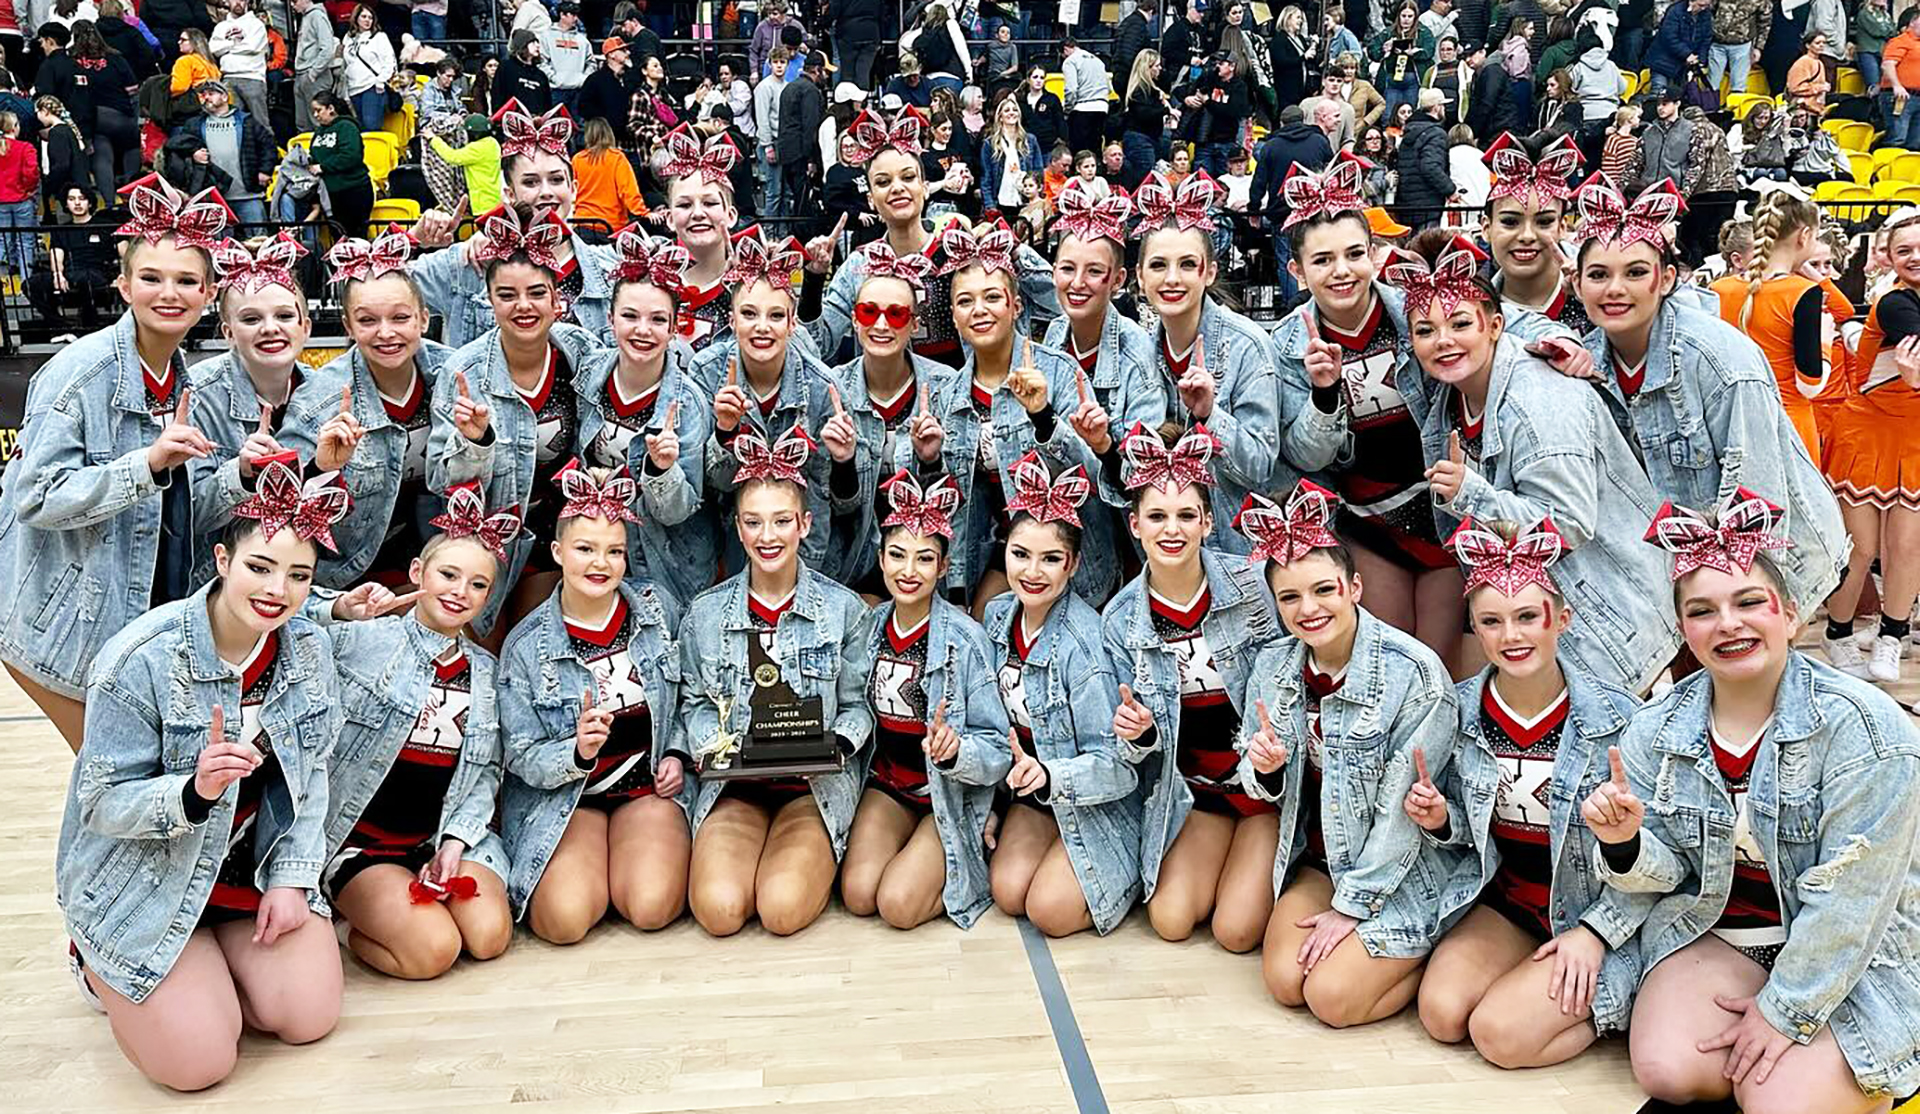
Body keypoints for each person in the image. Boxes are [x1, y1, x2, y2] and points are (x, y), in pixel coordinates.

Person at [1584, 492, 1920, 1113]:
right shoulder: (1654, 727)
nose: (1728, 624)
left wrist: (1784, 1011)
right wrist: (1624, 843)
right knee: (1667, 1068)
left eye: (1748, 603)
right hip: (1727, 931)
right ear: (1683, 629)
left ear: (1790, 614)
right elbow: (1672, 873)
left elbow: (1854, 900)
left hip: (1857, 952)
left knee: (1775, 1100)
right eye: (1702, 610)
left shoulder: (1869, 731)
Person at [57, 459, 350, 1089]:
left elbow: (313, 777)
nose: (278, 590)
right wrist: (193, 792)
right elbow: (101, 802)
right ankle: (95, 961)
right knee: (198, 1066)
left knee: (308, 1015)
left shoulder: (309, 650)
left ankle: (211, 967)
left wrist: (294, 880)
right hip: (149, 878)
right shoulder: (140, 659)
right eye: (260, 567)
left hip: (245, 866)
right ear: (222, 560)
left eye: (299, 576)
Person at [1385, 230, 1680, 693]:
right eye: (1426, 330)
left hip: (1609, 628)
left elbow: (1565, 523)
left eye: (1460, 324)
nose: (1443, 341)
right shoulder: (1451, 394)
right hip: (1545, 628)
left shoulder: (1538, 399)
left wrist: (1472, 496)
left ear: (1495, 326)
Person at [1406, 520, 1647, 1068]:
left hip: (1593, 910)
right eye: (1492, 622)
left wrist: (1596, 933)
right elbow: (1469, 836)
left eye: (1526, 617)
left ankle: (1622, 997)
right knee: (1442, 1014)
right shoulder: (1460, 711)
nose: (1511, 636)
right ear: (1475, 629)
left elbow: (1661, 858)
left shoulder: (1621, 720)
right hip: (1511, 902)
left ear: (1560, 618)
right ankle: (1533, 984)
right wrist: (1442, 820)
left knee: (1500, 1037)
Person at [0, 176, 226, 749]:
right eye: (150, 278)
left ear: (208, 293)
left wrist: (243, 475)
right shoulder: (81, 372)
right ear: (124, 286)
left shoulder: (185, 381)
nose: (168, 293)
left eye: (186, 281)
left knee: (127, 795)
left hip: (141, 624)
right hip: (65, 631)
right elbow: (35, 496)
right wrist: (144, 466)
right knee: (111, 789)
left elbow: (179, 517)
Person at [1568, 172, 1847, 614]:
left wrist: (1743, 609)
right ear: (1577, 284)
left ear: (1666, 279)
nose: (1615, 288)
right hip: (1673, 573)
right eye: (1598, 274)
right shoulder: (1584, 363)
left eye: (1636, 272)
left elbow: (1759, 501)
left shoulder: (1722, 359)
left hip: (1762, 566)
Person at [1237, 480, 1458, 1026]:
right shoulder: (1274, 666)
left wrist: (1350, 908)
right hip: (1324, 858)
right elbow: (1253, 771)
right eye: (1290, 597)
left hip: (1401, 866)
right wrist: (1266, 770)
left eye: (1323, 590)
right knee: (1286, 983)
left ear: (1354, 587)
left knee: (1332, 1000)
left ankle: (1427, 953)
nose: (1308, 609)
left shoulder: (1416, 674)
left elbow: (1399, 814)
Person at [678, 423, 874, 937]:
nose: (768, 537)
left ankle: (805, 857)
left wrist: (834, 745)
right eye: (754, 523)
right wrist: (715, 746)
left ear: (805, 525)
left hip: (813, 788)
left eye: (781, 521)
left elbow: (859, 707)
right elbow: (695, 704)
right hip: (736, 788)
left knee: (781, 911)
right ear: (738, 529)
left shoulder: (843, 610)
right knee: (719, 912)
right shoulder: (705, 615)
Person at [1100, 425, 1280, 952]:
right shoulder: (1119, 620)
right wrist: (1138, 734)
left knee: (1235, 932)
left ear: (1207, 521)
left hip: (1258, 787)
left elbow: (1286, 680)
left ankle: (1274, 858)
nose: (1171, 529)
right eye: (1156, 516)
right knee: (1171, 920)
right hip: (1196, 794)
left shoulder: (1250, 586)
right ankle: (1226, 858)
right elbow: (1133, 749)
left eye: (1185, 516)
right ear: (1134, 525)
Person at [322, 490, 516, 977]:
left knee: (489, 937)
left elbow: (486, 773)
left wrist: (453, 842)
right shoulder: (364, 640)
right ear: (417, 573)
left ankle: (414, 896)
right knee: (433, 952)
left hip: (436, 837)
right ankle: (346, 923)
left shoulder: (485, 673)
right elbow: (287, 625)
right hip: (363, 843)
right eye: (448, 575)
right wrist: (342, 610)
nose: (458, 592)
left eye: (477, 585)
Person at [496, 465, 690, 943]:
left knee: (650, 907)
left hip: (648, 790)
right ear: (559, 552)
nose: (599, 563)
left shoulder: (657, 610)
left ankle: (627, 861)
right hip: (571, 798)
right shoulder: (525, 647)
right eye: (585, 549)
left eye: (614, 551)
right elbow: (519, 754)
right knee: (562, 922)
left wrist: (679, 753)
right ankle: (595, 868)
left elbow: (694, 694)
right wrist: (576, 752)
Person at [909, 220, 1115, 609]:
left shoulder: (1056, 369)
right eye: (966, 301)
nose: (979, 310)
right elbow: (949, 503)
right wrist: (928, 460)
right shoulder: (947, 393)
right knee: (987, 619)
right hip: (998, 549)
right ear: (953, 316)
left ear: (1015, 306)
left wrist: (1042, 416)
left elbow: (1095, 476)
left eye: (992, 297)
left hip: (1073, 555)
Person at [841, 472, 1013, 929]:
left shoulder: (967, 640)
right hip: (890, 786)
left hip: (949, 791)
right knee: (858, 894)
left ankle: (969, 860)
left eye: (924, 559)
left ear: (943, 566)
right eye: (897, 556)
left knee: (898, 905)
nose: (908, 571)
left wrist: (957, 751)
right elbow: (855, 706)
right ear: (880, 559)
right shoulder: (869, 628)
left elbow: (997, 749)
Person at [980, 455, 1141, 937]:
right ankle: (1048, 843)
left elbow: (1119, 765)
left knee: (1049, 912)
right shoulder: (996, 617)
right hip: (1033, 796)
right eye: (1021, 554)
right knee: (1008, 892)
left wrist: (1051, 775)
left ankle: (1122, 865)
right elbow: (990, 726)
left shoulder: (1085, 645)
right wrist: (990, 801)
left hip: (1091, 798)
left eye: (1051, 559)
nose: (1033, 571)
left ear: (1071, 565)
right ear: (1004, 551)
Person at [429, 204, 605, 642]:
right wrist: (476, 442)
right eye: (507, 294)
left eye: (536, 293)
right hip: (484, 537)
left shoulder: (581, 354)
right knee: (479, 648)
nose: (523, 306)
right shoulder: (463, 371)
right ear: (489, 301)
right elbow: (438, 477)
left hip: (554, 537)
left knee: (533, 646)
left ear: (556, 298)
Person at [1135, 170, 1301, 557]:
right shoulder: (1139, 349)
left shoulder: (1248, 345)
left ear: (1208, 272)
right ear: (1140, 276)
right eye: (1158, 265)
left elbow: (1261, 468)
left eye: (1187, 265)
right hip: (1167, 553)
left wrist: (1211, 417)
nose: (1172, 278)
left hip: (1238, 551)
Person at [278, 228, 454, 590]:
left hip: (443, 561)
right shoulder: (321, 401)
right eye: (368, 320)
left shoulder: (454, 375)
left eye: (400, 318)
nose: (385, 333)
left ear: (423, 319)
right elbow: (281, 506)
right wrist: (322, 468)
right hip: (352, 574)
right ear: (348, 326)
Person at [412, 100, 618, 349]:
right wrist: (413, 240)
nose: (546, 192)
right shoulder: (472, 262)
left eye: (555, 179)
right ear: (509, 194)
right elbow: (364, 287)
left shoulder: (610, 269)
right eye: (530, 182)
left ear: (573, 189)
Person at [576, 226, 710, 607]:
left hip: (663, 560)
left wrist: (663, 470)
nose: (642, 330)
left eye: (657, 320)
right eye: (630, 316)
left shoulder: (689, 403)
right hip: (595, 543)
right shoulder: (587, 374)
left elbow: (679, 512)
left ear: (673, 328)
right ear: (611, 318)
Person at [1820, 207, 1920, 685]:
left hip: (1915, 439)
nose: (1914, 257)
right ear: (1889, 257)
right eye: (1904, 250)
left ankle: (1891, 636)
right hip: (1868, 434)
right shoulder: (1896, 304)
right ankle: (1837, 633)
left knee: (1906, 548)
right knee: (1859, 549)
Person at [183, 233, 319, 580]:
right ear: (228, 332)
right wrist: (241, 475)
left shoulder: (328, 393)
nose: (270, 329)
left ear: (305, 327)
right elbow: (187, 518)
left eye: (285, 316)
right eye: (251, 319)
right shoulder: (196, 395)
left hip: (310, 577)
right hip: (216, 584)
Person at [818, 244, 949, 589]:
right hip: (853, 563)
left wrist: (931, 462)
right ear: (853, 320)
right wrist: (843, 463)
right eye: (868, 311)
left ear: (914, 324)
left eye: (896, 314)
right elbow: (837, 511)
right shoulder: (830, 390)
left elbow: (956, 506)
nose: (880, 324)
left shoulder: (944, 388)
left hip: (925, 563)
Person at [1710, 190, 1853, 463]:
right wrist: (1824, 342)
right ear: (1804, 236)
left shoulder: (1719, 289)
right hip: (1788, 425)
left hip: (1732, 422)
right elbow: (1810, 386)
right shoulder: (1802, 292)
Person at [1043, 179, 1165, 458]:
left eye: (1094, 272)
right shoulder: (1054, 333)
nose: (1077, 283)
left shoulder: (1137, 354)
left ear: (1118, 280)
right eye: (1067, 268)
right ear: (1053, 272)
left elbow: (1142, 467)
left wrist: (1103, 444)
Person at [1483, 132, 1591, 336]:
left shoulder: (1602, 300)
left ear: (1562, 227)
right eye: (1510, 222)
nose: (1527, 236)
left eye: (1544, 222)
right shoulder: (1469, 313)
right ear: (1486, 228)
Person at [26, 184, 117, 337]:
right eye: (71, 199)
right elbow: (57, 255)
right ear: (66, 204)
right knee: (30, 284)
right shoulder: (62, 229)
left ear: (89, 202)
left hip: (98, 272)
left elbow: (124, 252)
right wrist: (57, 274)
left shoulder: (104, 225)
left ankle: (89, 328)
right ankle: (62, 328)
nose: (77, 203)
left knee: (85, 278)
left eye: (82, 199)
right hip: (71, 272)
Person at [181, 81, 273, 229]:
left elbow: (268, 145)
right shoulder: (194, 124)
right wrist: (193, 152)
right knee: (217, 246)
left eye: (211, 94)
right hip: (213, 198)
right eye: (203, 95)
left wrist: (265, 170)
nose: (206, 98)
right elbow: (179, 146)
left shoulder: (246, 121)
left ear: (224, 97)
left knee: (258, 240)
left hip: (248, 195)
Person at [308, 92, 374, 239]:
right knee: (338, 238)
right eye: (314, 111)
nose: (315, 115)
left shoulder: (347, 126)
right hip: (330, 194)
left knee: (356, 237)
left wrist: (323, 167)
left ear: (330, 108)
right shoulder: (318, 132)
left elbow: (351, 156)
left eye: (319, 110)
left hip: (354, 190)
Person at [776, 50, 826, 220]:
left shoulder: (790, 87)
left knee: (797, 198)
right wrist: (811, 159)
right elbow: (810, 128)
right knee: (804, 202)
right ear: (817, 70)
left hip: (786, 152)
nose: (826, 76)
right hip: (800, 154)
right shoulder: (810, 91)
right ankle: (803, 237)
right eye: (824, 71)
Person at [1394, 89, 1454, 231]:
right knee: (1428, 249)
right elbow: (1430, 166)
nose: (1444, 109)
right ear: (1436, 107)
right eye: (1443, 106)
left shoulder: (1408, 131)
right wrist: (1450, 190)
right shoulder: (1436, 133)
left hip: (1407, 205)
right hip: (1429, 206)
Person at [569, 117, 641, 232]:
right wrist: (642, 212)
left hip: (582, 223)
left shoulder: (577, 159)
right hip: (611, 226)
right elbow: (627, 190)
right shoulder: (617, 158)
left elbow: (571, 191)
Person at [981, 93, 1044, 217]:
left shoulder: (1030, 140)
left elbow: (1038, 171)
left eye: (1015, 110)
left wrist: (1037, 199)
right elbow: (986, 178)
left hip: (1025, 201)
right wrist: (990, 206)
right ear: (1000, 117)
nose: (1011, 113)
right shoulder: (990, 143)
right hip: (999, 202)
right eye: (1007, 110)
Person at [430, 112, 504, 218]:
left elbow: (452, 157)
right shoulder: (493, 143)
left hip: (483, 203)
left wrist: (433, 139)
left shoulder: (476, 149)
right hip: (495, 201)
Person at [209, 0, 269, 125]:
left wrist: (225, 47)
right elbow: (213, 48)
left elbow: (253, 46)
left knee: (260, 123)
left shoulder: (256, 24)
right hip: (228, 78)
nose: (238, 3)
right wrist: (235, 43)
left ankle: (268, 145)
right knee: (231, 124)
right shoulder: (221, 26)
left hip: (252, 77)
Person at [341, 4, 397, 130]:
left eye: (370, 18)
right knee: (360, 126)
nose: (367, 20)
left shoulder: (379, 37)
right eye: (364, 17)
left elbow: (389, 62)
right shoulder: (348, 37)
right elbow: (346, 63)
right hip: (353, 87)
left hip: (372, 86)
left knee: (371, 125)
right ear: (356, 18)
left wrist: (381, 81)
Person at [0, 108, 37, 285]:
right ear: (14, 127)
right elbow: (31, 173)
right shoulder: (25, 148)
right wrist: (28, 189)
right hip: (22, 199)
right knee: (26, 241)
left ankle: (3, 281)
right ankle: (26, 282)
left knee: (2, 240)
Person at [290, 0, 339, 133]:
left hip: (314, 75)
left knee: (319, 122)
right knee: (303, 123)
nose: (292, 5)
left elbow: (327, 49)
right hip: (303, 73)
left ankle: (323, 152)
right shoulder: (307, 17)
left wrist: (313, 73)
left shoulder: (317, 16)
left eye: (294, 1)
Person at [1059, 39, 1110, 163]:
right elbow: (1108, 87)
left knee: (1079, 153)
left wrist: (1067, 111)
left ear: (1065, 49)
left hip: (1082, 109)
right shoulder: (1099, 61)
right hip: (1102, 108)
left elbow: (1071, 89)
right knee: (1095, 150)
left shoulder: (1070, 61)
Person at [1708, 0, 1772, 98]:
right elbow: (1708, 11)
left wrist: (1758, 48)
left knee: (1739, 85)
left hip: (1742, 46)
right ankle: (1711, 108)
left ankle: (1736, 109)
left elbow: (1765, 24)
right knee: (1712, 82)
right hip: (1717, 44)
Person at [540, 3, 591, 116]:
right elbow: (541, 61)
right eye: (572, 15)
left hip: (578, 89)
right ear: (562, 15)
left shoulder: (582, 39)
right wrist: (554, 78)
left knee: (579, 127)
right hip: (556, 90)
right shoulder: (546, 36)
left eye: (576, 15)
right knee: (556, 126)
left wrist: (584, 78)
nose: (576, 18)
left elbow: (591, 62)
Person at [577, 36, 634, 135]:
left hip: (629, 137)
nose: (628, 52)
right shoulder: (595, 80)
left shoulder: (632, 78)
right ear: (611, 54)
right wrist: (605, 121)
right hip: (605, 137)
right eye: (623, 50)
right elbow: (584, 107)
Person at [495, 30, 553, 116]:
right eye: (533, 43)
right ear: (522, 45)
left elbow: (547, 104)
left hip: (536, 123)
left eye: (537, 42)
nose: (537, 46)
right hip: (511, 120)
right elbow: (497, 96)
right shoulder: (506, 68)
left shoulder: (540, 75)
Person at [171, 27, 222, 96]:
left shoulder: (185, 61)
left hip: (194, 102)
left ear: (194, 42)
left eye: (183, 40)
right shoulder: (210, 62)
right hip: (212, 101)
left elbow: (179, 87)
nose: (179, 42)